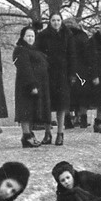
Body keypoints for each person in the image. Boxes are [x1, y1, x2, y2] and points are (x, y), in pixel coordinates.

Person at [36, 11, 76, 144]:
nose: (56, 23)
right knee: (47, 104)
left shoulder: (68, 35)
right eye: (53, 20)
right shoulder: (42, 36)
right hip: (47, 73)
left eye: (58, 20)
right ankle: (47, 133)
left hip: (62, 74)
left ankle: (60, 133)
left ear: (61, 21)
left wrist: (72, 74)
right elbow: (39, 54)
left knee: (61, 105)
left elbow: (72, 55)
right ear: (50, 22)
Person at [12, 25, 51, 148]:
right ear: (23, 37)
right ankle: (26, 135)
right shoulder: (20, 50)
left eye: (32, 36)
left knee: (31, 111)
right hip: (26, 86)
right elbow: (25, 69)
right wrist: (32, 85)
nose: (30, 38)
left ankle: (29, 134)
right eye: (28, 36)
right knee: (25, 110)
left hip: (38, 85)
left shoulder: (35, 50)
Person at [63, 15, 91, 129]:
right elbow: (88, 54)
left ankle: (67, 119)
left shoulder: (62, 36)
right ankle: (83, 118)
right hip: (82, 70)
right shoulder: (82, 36)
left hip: (66, 69)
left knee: (66, 95)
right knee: (82, 95)